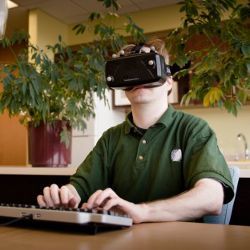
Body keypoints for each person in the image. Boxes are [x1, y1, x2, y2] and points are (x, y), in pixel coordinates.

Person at [37, 39, 234, 224]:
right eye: (130, 70)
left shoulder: (192, 129)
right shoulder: (111, 139)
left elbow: (212, 197)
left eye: (148, 68)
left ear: (168, 82)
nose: (139, 77)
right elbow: (78, 188)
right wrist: (64, 196)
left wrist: (142, 211)